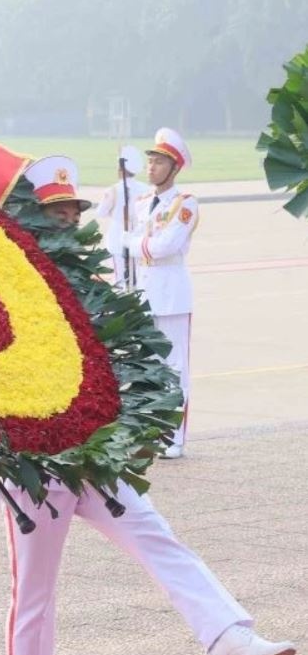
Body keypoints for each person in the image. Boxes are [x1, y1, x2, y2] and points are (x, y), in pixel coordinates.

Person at [0, 156, 295, 655]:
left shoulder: (89, 285)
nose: (63, 223)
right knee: (35, 597)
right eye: (52, 214)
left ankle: (224, 634)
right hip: (35, 465)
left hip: (94, 456)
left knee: (159, 536)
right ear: (27, 221)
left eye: (69, 213)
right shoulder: (5, 288)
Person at [126, 128, 198, 459]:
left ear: (174, 168)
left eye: (159, 162)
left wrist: (138, 244)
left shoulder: (185, 204)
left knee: (174, 368)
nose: (151, 167)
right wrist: (142, 245)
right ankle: (149, 433)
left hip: (171, 294)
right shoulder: (142, 203)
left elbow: (166, 246)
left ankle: (174, 438)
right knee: (146, 367)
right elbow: (125, 243)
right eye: (150, 160)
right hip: (143, 292)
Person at [96, 145, 144, 289]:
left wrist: (113, 213)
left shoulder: (113, 190)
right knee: (137, 277)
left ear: (120, 168)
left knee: (119, 279)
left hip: (117, 237)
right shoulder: (146, 188)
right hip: (138, 236)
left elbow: (100, 213)